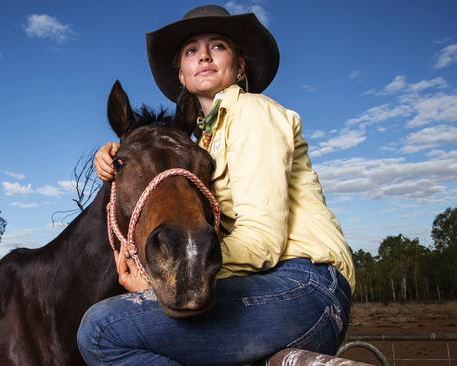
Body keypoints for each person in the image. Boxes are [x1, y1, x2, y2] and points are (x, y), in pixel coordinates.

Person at [78, 5, 355, 365]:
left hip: (305, 284)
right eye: (191, 50)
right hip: (268, 283)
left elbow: (262, 240)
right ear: (182, 74)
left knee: (101, 331)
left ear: (239, 66)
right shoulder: (201, 145)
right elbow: (160, 159)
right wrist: (118, 154)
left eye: (218, 46)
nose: (204, 55)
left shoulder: (253, 113)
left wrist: (164, 275)